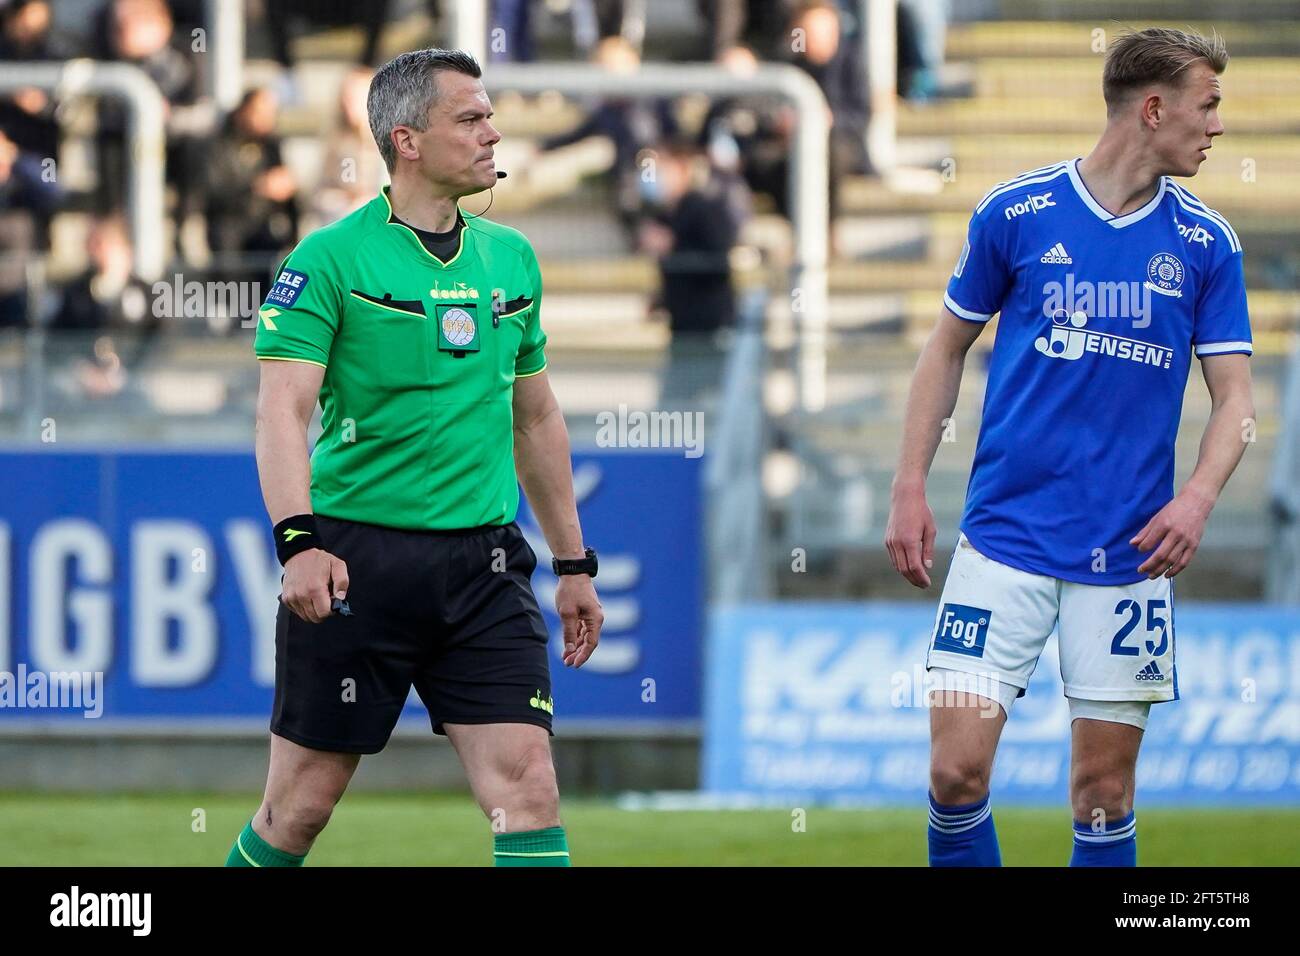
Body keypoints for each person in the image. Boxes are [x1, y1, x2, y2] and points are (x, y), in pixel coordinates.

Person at [884, 27, 1255, 867]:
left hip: (1128, 556)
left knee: (1102, 797)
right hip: (1004, 540)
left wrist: (1195, 498)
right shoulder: (1017, 212)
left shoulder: (1206, 244)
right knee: (954, 773)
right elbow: (945, 349)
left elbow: (1235, 399)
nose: (1217, 126)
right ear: (1153, 109)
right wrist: (909, 483)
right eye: (1208, 105)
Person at [231, 48, 603, 868]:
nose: (492, 133)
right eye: (470, 119)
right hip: (356, 561)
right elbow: (282, 410)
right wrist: (298, 542)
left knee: (529, 786)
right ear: (406, 140)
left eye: (490, 115)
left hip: (484, 568)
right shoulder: (328, 260)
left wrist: (574, 561)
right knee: (298, 810)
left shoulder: (512, 259)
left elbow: (534, 416)